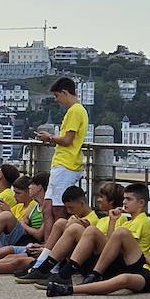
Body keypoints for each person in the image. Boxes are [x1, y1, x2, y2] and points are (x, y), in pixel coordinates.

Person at [47, 197, 150, 297]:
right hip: (148, 266)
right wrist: (149, 259)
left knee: (125, 279)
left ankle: (68, 290)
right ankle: (94, 275)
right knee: (121, 232)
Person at [36, 77, 87, 222]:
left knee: (58, 209)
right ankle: (49, 236)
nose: (56, 99)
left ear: (65, 92)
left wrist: (50, 138)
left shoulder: (75, 111)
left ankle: (59, 236)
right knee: (47, 208)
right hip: (61, 163)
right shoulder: (75, 110)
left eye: (57, 95)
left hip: (67, 164)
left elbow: (67, 140)